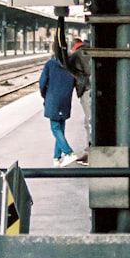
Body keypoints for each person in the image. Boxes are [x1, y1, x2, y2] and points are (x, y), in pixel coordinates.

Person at [39, 39, 78, 167]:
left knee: (55, 128)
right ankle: (56, 158)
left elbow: (42, 83)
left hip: (53, 99)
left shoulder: (50, 64)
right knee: (60, 128)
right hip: (66, 100)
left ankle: (69, 153)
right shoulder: (70, 65)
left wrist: (45, 95)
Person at [67, 37, 91, 160]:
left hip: (87, 89)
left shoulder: (76, 55)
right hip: (92, 87)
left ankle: (90, 151)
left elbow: (71, 70)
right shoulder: (89, 49)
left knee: (89, 121)